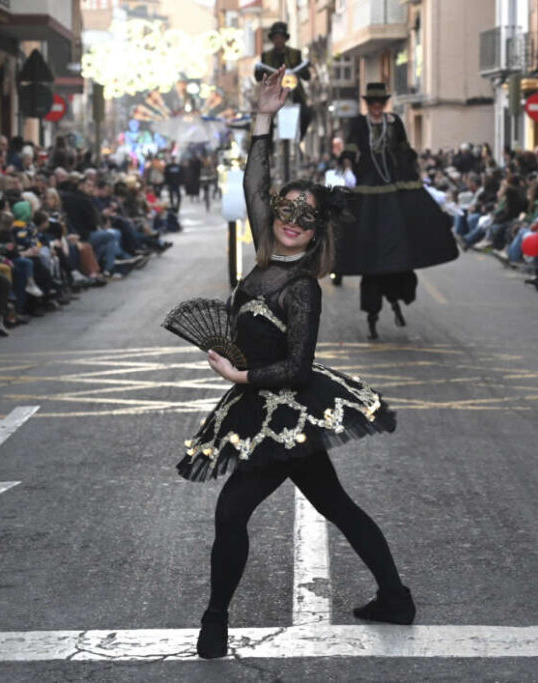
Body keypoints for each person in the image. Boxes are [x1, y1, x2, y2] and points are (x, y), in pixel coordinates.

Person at [184, 66, 413, 660]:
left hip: (285, 411)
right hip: (259, 408)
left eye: (306, 217)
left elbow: (298, 366)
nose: (291, 220)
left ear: (315, 234)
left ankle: (214, 623)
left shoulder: (301, 287)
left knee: (232, 510)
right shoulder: (263, 257)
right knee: (334, 504)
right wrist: (262, 118)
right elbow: (255, 181)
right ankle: (396, 596)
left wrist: (240, 376)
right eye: (287, 209)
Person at [337, 82, 459, 339]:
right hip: (369, 182)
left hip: (394, 180)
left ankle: (396, 301)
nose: (377, 106)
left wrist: (419, 182)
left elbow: (405, 153)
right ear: (368, 103)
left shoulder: (395, 123)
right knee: (367, 242)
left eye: (381, 101)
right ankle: (372, 316)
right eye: (373, 102)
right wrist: (348, 169)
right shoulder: (360, 124)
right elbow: (350, 148)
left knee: (400, 237)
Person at [254, 22, 312, 140]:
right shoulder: (266, 56)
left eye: (281, 37)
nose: (278, 40)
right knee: (265, 118)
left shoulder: (296, 54)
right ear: (272, 39)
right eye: (276, 37)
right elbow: (259, 76)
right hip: (272, 95)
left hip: (294, 93)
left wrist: (305, 69)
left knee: (307, 113)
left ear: (285, 39)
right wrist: (259, 70)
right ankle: (268, 149)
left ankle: (299, 138)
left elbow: (306, 75)